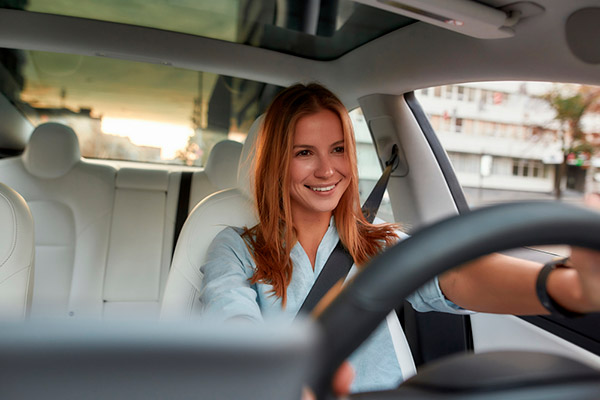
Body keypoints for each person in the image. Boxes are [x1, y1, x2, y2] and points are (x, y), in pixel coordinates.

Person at [199, 83, 600, 394]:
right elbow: (232, 323)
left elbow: (456, 276)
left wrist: (564, 285)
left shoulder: (376, 242)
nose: (327, 170)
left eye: (338, 149)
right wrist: (273, 381)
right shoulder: (235, 249)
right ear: (276, 162)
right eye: (304, 153)